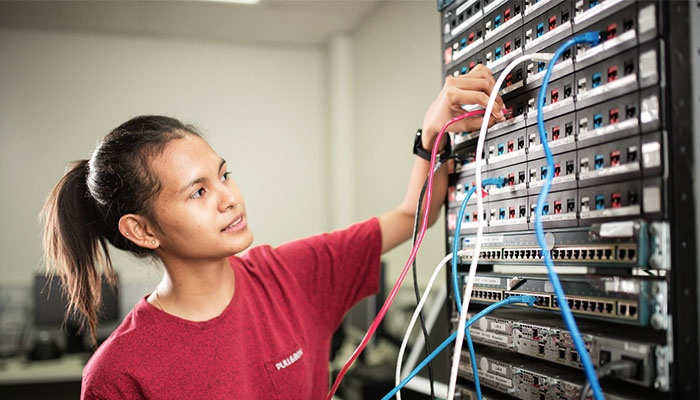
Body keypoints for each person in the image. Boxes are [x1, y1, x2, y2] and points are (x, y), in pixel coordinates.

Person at [40, 65, 504, 400]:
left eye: (224, 174)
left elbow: (412, 217)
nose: (229, 197)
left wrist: (431, 135)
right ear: (141, 230)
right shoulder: (119, 374)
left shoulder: (293, 274)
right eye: (198, 192)